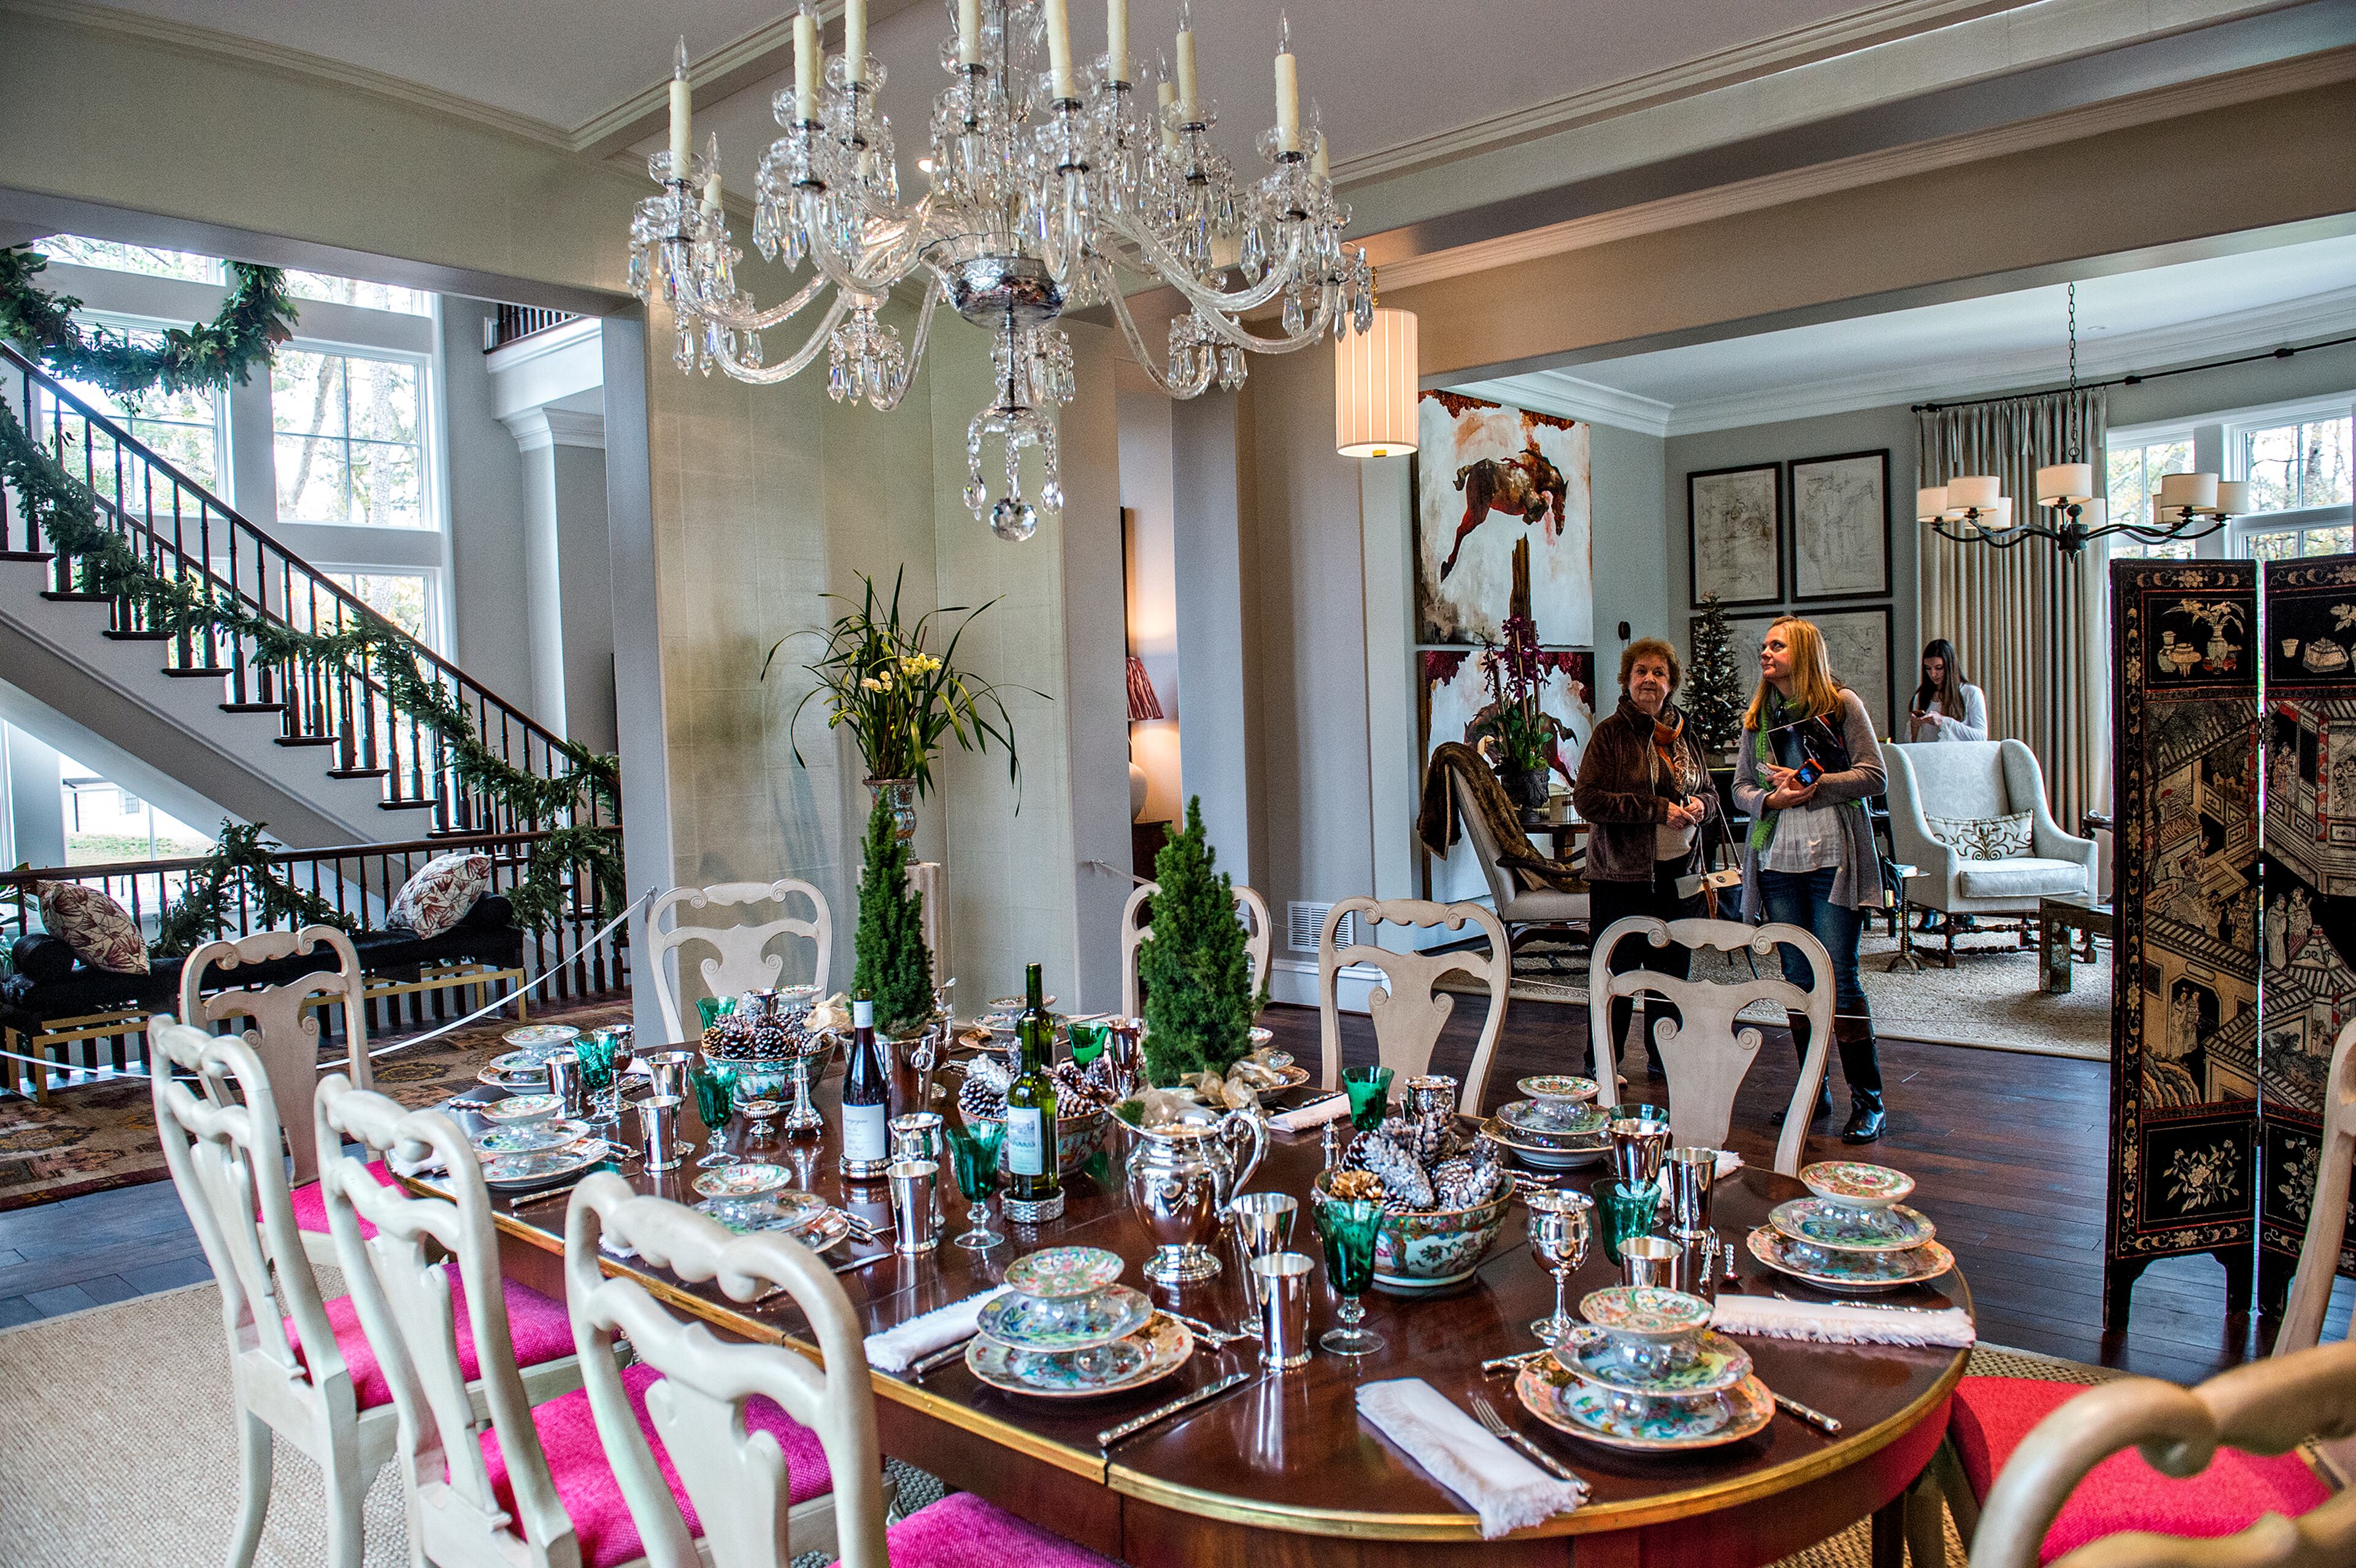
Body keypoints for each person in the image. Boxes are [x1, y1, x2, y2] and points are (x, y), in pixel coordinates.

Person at [1733, 617, 1890, 1143]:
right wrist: (1771, 799)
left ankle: (1869, 1102)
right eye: (1764, 645)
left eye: (1776, 645)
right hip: (1778, 860)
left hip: (1834, 859)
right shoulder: (1758, 718)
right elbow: (1740, 790)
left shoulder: (1841, 705)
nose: (1766, 652)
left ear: (1803, 652)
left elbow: (1875, 775)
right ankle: (1812, 1091)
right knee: (1797, 980)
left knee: (1840, 978)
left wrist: (1814, 784)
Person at [1573, 638, 1717, 1083]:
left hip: (1679, 875)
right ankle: (1601, 1063)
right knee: (1615, 974)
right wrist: (1657, 809)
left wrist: (1701, 808)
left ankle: (1664, 1056)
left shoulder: (1684, 733)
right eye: (1641, 672)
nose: (1649, 680)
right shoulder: (1610, 734)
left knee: (1671, 973)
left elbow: (1711, 794)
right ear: (1628, 680)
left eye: (1658, 673)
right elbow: (1587, 800)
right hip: (1621, 877)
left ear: (1671, 683)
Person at [1907, 638, 1987, 742]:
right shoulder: (1921, 697)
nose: (1933, 674)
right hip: (1928, 756)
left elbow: (1981, 737)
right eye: (1928, 668)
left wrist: (1944, 721)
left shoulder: (1971, 693)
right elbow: (1912, 744)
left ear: (1950, 666)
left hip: (1959, 756)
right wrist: (1914, 726)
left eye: (1939, 668)